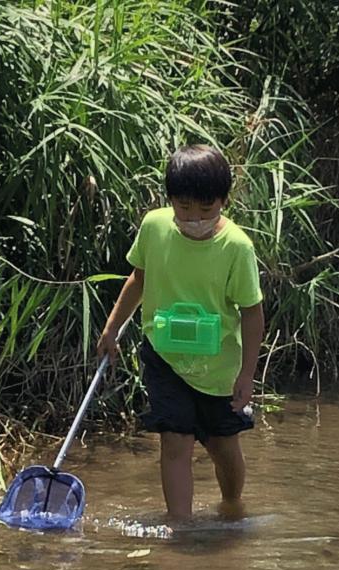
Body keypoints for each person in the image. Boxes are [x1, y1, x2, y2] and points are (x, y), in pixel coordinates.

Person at [97, 144, 264, 520]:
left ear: (223, 201)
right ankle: (180, 528)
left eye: (207, 210)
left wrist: (247, 374)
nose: (194, 219)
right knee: (175, 440)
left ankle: (233, 505)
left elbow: (252, 313)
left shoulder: (237, 247)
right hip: (164, 355)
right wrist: (112, 328)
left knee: (223, 446)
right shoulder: (154, 227)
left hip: (217, 369)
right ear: (170, 199)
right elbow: (139, 278)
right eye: (184, 208)